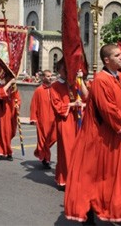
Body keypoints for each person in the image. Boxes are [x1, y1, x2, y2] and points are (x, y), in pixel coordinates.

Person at [64, 44, 121, 225]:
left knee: (117, 180)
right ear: (107, 60)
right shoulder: (101, 80)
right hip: (108, 139)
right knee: (102, 180)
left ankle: (116, 213)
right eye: (117, 55)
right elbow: (108, 110)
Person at [50, 59, 88, 187]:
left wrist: (80, 80)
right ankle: (67, 179)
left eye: (68, 69)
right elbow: (57, 105)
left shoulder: (75, 83)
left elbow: (87, 96)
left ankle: (78, 177)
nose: (66, 72)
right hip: (65, 120)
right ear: (59, 70)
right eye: (63, 69)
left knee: (79, 150)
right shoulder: (55, 86)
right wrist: (72, 104)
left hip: (78, 118)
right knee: (67, 150)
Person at [29, 69, 57, 169]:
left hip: (53, 119)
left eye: (51, 76)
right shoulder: (38, 90)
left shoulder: (54, 89)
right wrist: (33, 118)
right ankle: (46, 159)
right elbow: (34, 105)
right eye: (48, 76)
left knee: (54, 137)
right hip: (43, 120)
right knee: (44, 139)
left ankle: (40, 151)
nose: (50, 78)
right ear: (43, 77)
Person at [0, 77, 21, 161]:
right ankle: (7, 152)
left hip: (12, 113)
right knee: (5, 132)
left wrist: (18, 105)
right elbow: (1, 94)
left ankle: (0, 147)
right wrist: (9, 83)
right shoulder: (0, 88)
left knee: (11, 132)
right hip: (4, 114)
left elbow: (18, 99)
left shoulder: (14, 89)